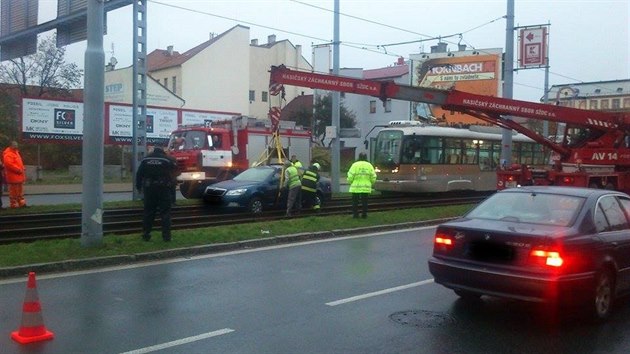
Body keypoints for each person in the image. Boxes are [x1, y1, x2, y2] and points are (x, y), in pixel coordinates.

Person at [135, 147, 179, 242]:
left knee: (148, 212)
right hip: (163, 189)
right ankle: (166, 237)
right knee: (165, 213)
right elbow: (175, 173)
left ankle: (146, 234)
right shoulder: (167, 160)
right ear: (163, 152)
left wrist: (138, 187)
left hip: (149, 189)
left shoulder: (146, 159)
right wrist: (172, 187)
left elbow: (139, 174)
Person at [347, 152, 377, 219]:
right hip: (366, 187)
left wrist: (351, 182)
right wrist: (371, 183)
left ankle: (355, 215)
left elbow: (350, 176)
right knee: (364, 202)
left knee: (355, 202)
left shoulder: (355, 165)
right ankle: (364, 215)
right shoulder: (369, 165)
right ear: (366, 157)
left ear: (359, 157)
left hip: (355, 187)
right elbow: (373, 176)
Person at [2, 141, 27, 208]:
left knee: (20, 192)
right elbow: (9, 165)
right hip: (13, 176)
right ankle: (14, 205)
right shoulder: (8, 154)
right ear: (11, 146)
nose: (16, 146)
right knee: (13, 192)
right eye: (15, 145)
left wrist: (22, 168)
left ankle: (22, 203)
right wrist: (18, 170)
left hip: (18, 176)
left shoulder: (16, 153)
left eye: (16, 145)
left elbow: (18, 163)